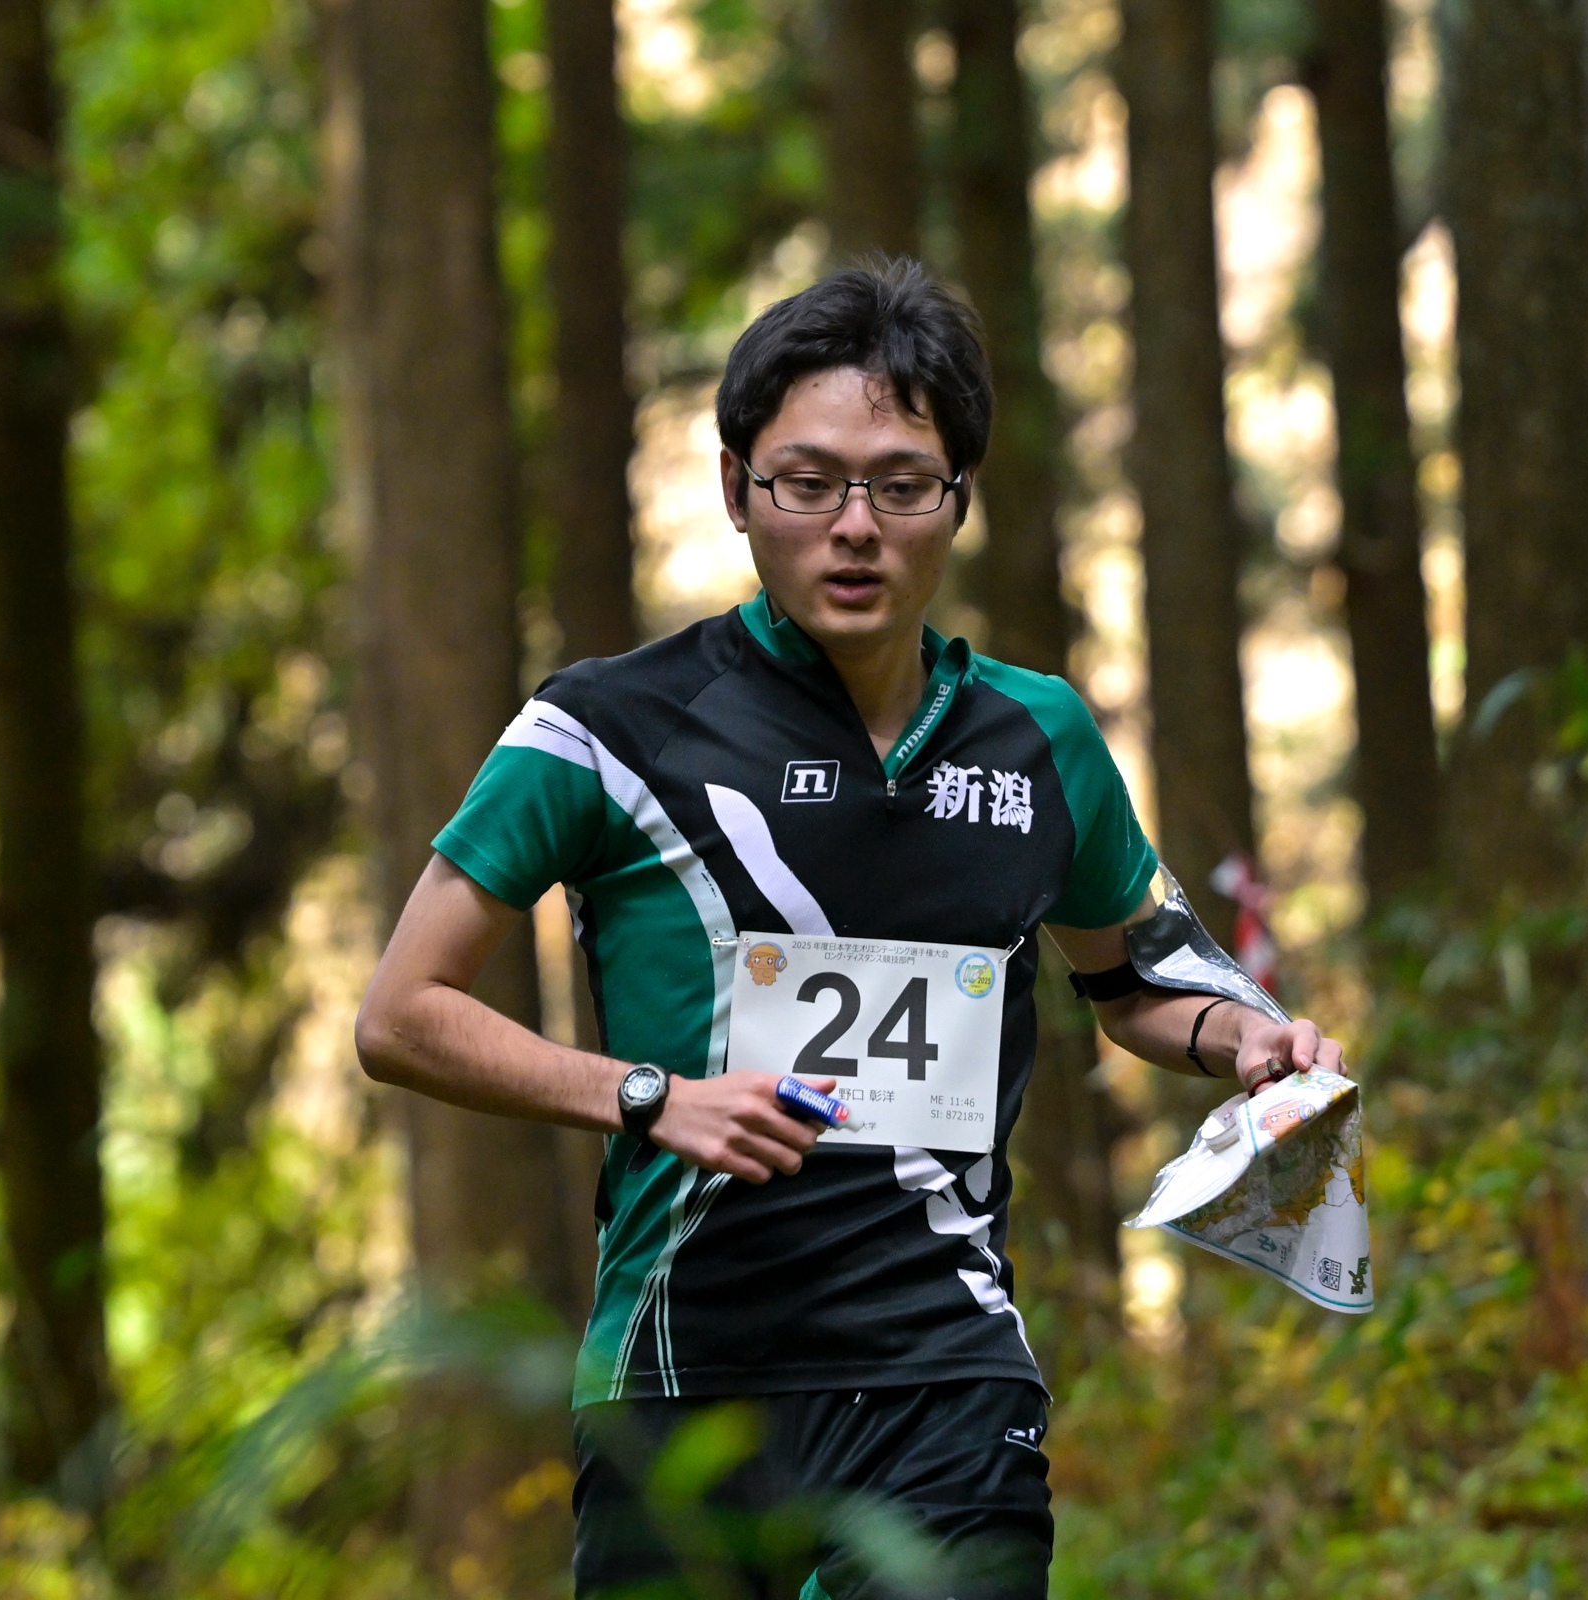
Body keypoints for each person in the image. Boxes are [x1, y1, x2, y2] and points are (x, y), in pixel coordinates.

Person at [353, 260, 1347, 1600]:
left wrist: (1241, 1040)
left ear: (960, 497)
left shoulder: (1038, 736)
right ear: (736, 490)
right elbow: (401, 1015)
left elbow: (1130, 983)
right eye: (808, 484)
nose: (856, 528)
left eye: (901, 484)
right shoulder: (605, 730)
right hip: (681, 1381)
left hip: (948, 1373)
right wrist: (652, 1098)